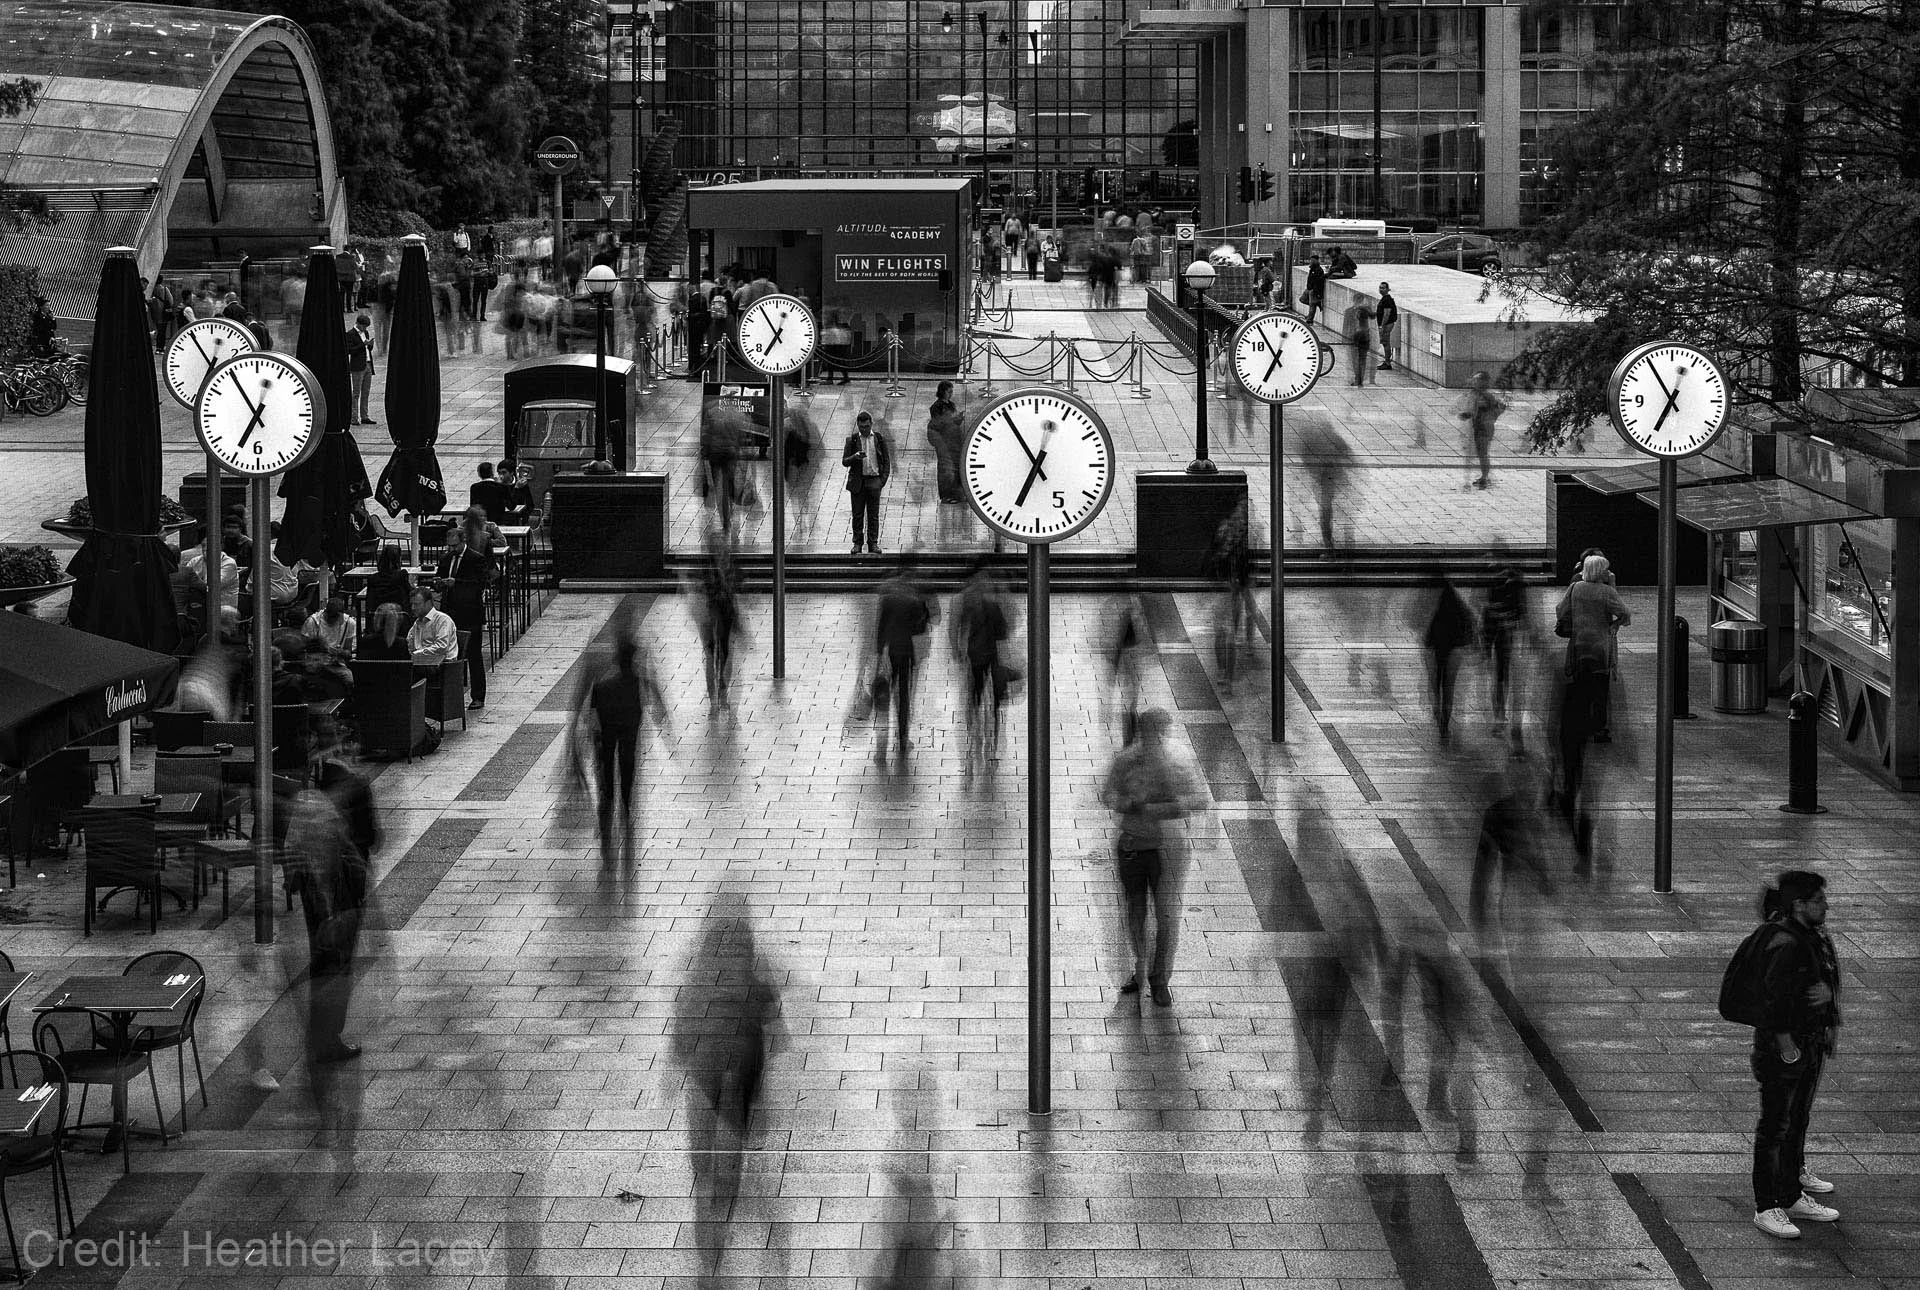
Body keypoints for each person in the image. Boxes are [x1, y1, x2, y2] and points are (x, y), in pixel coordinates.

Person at [1746, 870, 1843, 1240]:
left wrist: (1828, 1011)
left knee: (1795, 1119)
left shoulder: (1809, 937)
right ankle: (1766, 1206)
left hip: (1807, 1046)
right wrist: (1788, 1048)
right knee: (1774, 1128)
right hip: (1784, 1053)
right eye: (1818, 900)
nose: (1826, 905)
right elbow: (1771, 1003)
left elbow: (1824, 982)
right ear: (1799, 905)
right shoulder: (1785, 942)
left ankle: (1789, 1194)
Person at [1099, 708, 1202, 1007]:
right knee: (1135, 912)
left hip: (1169, 848)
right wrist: (1128, 803)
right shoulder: (1126, 760)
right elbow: (1107, 794)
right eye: (1147, 731)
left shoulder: (1178, 761)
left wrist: (1162, 808)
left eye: (1157, 731)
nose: (1152, 738)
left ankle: (1160, 980)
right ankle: (1139, 967)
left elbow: (1199, 798)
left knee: (1166, 915)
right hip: (1132, 844)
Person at [578, 632, 670, 867]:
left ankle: (607, 812)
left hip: (605, 738)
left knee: (606, 775)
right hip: (628, 735)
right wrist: (662, 718)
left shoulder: (602, 686)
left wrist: (589, 742)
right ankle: (625, 809)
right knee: (627, 768)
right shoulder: (638, 681)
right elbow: (653, 702)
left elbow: (592, 718)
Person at [950, 556, 1014, 771]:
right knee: (988, 698)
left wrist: (957, 649)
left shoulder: (968, 598)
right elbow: (1006, 628)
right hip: (988, 655)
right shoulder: (985, 600)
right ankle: (987, 734)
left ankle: (977, 728)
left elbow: (955, 627)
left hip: (977, 654)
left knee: (978, 694)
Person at [872, 559, 935, 761]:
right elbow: (921, 628)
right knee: (903, 697)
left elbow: (881, 627)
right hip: (906, 652)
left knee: (884, 695)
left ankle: (881, 743)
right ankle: (902, 738)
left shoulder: (888, 598)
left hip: (890, 651)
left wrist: (879, 651)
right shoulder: (914, 600)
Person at [436, 517, 497, 709]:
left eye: (454, 546)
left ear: (463, 542)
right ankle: (449, 696)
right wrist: (439, 583)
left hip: (470, 613)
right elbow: (440, 576)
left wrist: (457, 584)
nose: (451, 549)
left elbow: (479, 585)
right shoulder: (446, 558)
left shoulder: (475, 559)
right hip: (450, 612)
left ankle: (478, 695)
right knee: (448, 654)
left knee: (474, 655)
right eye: (449, 546)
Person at [1422, 570, 1476, 745]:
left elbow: (1424, 623)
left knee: (1436, 684)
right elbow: (1468, 617)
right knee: (1448, 686)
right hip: (1453, 647)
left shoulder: (1433, 600)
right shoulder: (1454, 598)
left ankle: (1440, 716)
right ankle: (1444, 721)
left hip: (1438, 647)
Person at [842, 410, 892, 555]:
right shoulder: (852, 440)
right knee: (857, 514)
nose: (864, 429)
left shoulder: (878, 438)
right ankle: (857, 542)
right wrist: (854, 457)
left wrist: (882, 480)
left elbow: (886, 460)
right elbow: (844, 461)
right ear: (858, 425)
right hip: (858, 481)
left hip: (874, 480)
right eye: (861, 427)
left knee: (873, 514)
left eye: (867, 426)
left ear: (871, 424)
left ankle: (873, 542)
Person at [1458, 370, 1507, 490]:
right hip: (1479, 427)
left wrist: (1488, 419)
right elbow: (1476, 411)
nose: (1474, 382)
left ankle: (1485, 478)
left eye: (1477, 380)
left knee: (1483, 454)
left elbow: (1497, 408)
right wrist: (1467, 415)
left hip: (1484, 428)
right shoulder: (1478, 394)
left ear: (1483, 382)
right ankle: (1484, 477)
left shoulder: (1486, 396)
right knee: (1481, 454)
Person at [926, 381, 962, 506]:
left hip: (953, 441)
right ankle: (946, 495)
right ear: (943, 392)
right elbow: (939, 424)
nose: (951, 394)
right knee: (946, 468)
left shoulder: (951, 405)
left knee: (956, 466)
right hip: (944, 441)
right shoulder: (936, 407)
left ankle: (956, 493)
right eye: (949, 391)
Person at [406, 585, 460, 666]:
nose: (413, 608)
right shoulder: (418, 622)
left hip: (443, 665)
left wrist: (417, 653)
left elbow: (441, 647)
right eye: (412, 604)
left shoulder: (443, 620)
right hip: (422, 663)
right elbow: (410, 643)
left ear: (428, 603)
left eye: (417, 604)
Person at [303, 593, 359, 661]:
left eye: (337, 617)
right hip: (316, 661)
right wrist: (323, 648)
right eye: (332, 617)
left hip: (337, 662)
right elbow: (304, 648)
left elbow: (348, 651)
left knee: (345, 672)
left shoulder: (349, 623)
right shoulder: (312, 622)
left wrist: (341, 652)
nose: (335, 620)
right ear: (325, 613)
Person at [363, 546, 413, 621]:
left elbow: (369, 603)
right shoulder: (401, 575)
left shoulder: (372, 578)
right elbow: (410, 592)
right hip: (400, 618)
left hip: (377, 620)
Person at [345, 313, 375, 424]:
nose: (365, 328)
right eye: (364, 326)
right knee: (356, 392)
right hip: (357, 366)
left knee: (366, 392)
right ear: (358, 324)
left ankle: (364, 416)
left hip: (367, 364)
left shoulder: (365, 333)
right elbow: (350, 350)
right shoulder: (350, 334)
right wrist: (363, 344)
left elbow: (367, 349)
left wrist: (370, 345)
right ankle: (354, 417)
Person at [1344, 299, 1375, 387]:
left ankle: (1358, 379)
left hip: (1356, 336)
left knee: (1355, 359)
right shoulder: (1366, 312)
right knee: (1363, 359)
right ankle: (1360, 379)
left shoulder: (1352, 312)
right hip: (1365, 337)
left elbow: (1346, 325)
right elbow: (1373, 316)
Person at [1376, 281, 1401, 371]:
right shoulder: (1385, 299)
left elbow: (1386, 313)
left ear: (1387, 289)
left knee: (1386, 343)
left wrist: (1382, 326)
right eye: (1380, 287)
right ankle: (1387, 361)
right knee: (1385, 342)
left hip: (1386, 324)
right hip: (1386, 324)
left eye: (1383, 288)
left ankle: (1387, 363)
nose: (1381, 289)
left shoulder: (1386, 300)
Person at [1302, 255, 1327, 328]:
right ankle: (1317, 303)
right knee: (1302, 299)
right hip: (1309, 289)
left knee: (1312, 306)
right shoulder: (1312, 269)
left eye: (1312, 260)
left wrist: (1316, 292)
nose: (1311, 262)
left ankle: (1310, 320)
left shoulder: (1318, 270)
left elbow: (1319, 282)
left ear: (1316, 260)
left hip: (1314, 291)